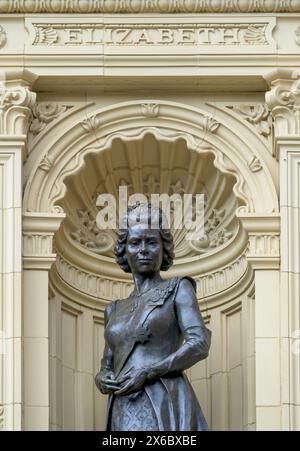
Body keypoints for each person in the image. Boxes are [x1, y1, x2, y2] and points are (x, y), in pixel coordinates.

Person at [95, 202, 211, 431]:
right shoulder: (113, 309)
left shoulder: (179, 288)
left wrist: (150, 371)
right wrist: (102, 377)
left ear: (163, 248)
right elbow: (108, 362)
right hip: (121, 403)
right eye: (135, 242)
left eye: (152, 242)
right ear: (124, 250)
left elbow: (200, 343)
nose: (144, 249)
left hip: (163, 396)